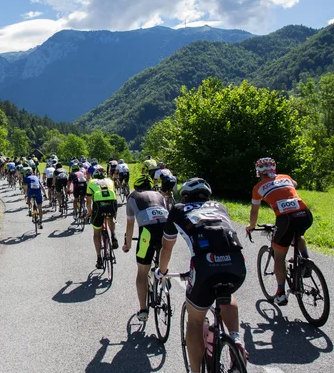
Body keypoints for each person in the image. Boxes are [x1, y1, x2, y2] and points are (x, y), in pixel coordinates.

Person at [157, 178, 246, 373]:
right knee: (227, 292)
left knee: (196, 321)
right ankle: (236, 338)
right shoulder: (220, 207)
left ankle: (196, 371)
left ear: (185, 196)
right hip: (237, 263)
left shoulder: (179, 210)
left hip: (206, 265)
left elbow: (166, 246)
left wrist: (162, 271)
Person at [246, 157, 313, 306]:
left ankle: (281, 293)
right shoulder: (286, 177)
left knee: (279, 257)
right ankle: (306, 260)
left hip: (286, 219)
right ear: (274, 169)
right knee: (298, 235)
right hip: (305, 214)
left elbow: (254, 211)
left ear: (258, 172)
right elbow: (294, 184)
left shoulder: (258, 188)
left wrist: (251, 225)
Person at [122, 176, 169, 322]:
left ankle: (143, 310)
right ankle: (164, 277)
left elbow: (130, 224)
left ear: (136, 188)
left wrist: (128, 244)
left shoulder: (132, 197)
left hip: (147, 233)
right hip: (165, 231)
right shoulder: (160, 196)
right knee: (163, 260)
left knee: (142, 272)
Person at [86, 166, 119, 269]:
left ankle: (99, 258)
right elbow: (114, 193)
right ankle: (113, 235)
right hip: (112, 203)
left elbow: (88, 201)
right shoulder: (109, 181)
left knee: (96, 233)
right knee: (111, 217)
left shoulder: (91, 182)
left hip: (99, 205)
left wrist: (89, 213)